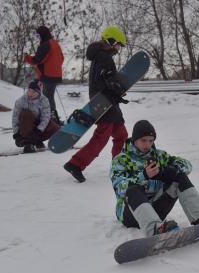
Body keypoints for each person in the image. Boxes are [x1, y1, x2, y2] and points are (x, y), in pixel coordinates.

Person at [110, 120, 199, 236]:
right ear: (135, 140)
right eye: (143, 140)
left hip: (156, 210)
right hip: (131, 214)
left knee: (179, 176)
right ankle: (155, 230)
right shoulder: (121, 160)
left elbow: (187, 165)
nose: (147, 145)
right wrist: (144, 176)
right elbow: (120, 188)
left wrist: (172, 170)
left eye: (151, 141)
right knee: (133, 190)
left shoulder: (160, 156)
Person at [63, 26, 129, 183]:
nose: (119, 48)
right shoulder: (104, 58)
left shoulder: (100, 56)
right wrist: (116, 86)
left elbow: (103, 80)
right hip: (104, 103)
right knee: (102, 137)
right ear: (111, 41)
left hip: (108, 102)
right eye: (119, 44)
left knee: (121, 135)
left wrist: (116, 89)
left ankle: (118, 166)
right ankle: (75, 164)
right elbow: (106, 80)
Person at [24, 25, 64, 124]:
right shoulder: (55, 44)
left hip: (48, 76)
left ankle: (51, 118)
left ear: (42, 34)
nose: (38, 38)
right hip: (56, 75)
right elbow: (62, 58)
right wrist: (54, 67)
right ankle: (51, 116)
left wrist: (26, 58)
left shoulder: (46, 44)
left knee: (47, 97)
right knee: (49, 96)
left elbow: (37, 60)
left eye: (38, 36)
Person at [12, 79, 60, 153]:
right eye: (29, 90)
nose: (30, 93)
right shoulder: (20, 101)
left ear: (39, 92)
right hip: (26, 126)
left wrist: (38, 131)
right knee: (25, 113)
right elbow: (15, 118)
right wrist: (16, 134)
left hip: (37, 127)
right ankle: (28, 143)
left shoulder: (44, 100)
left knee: (55, 128)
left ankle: (37, 141)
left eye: (33, 91)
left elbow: (45, 118)